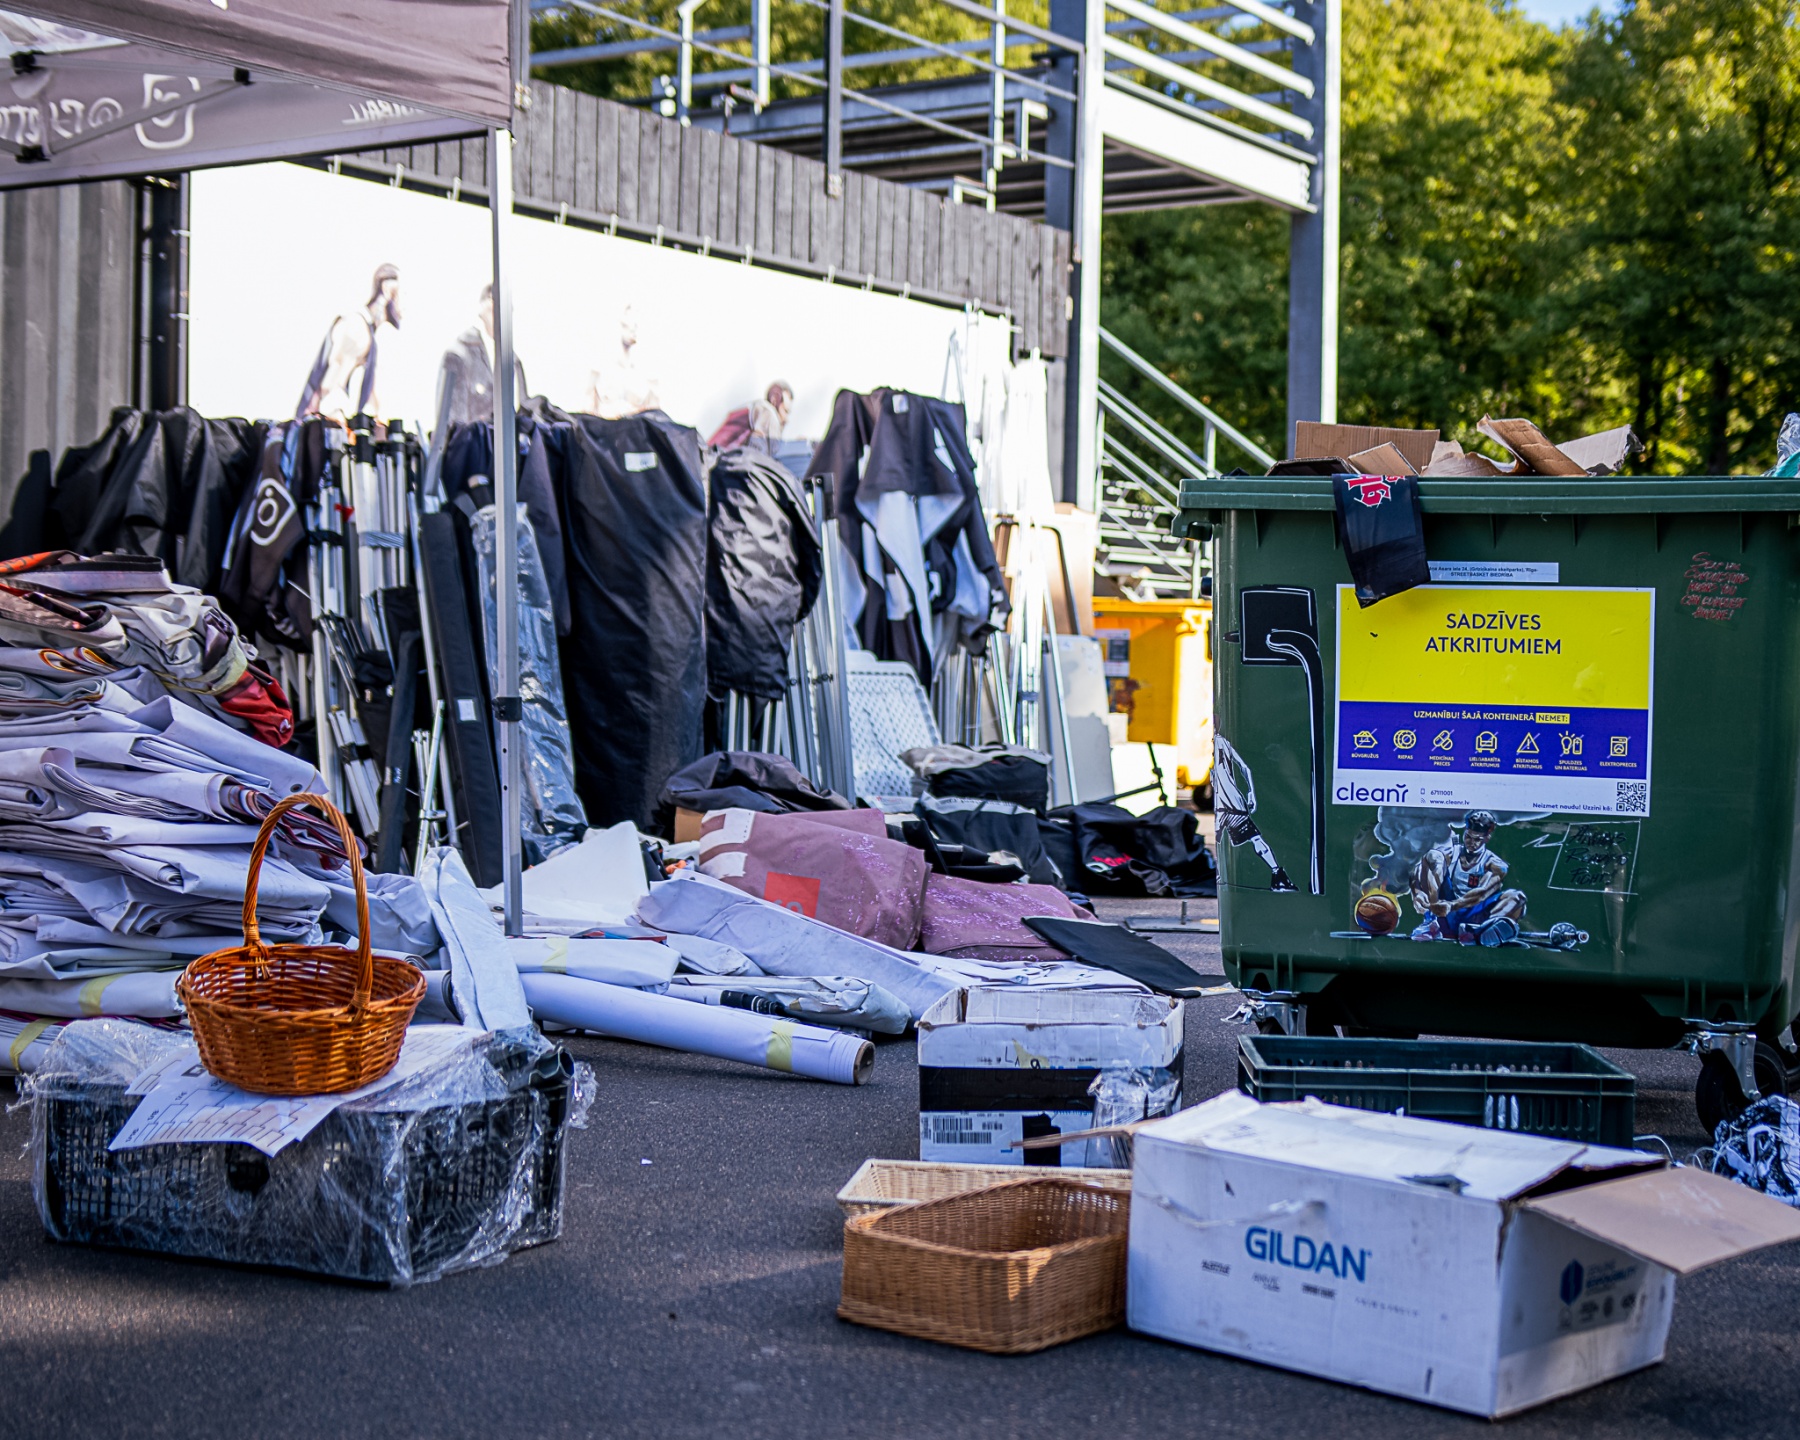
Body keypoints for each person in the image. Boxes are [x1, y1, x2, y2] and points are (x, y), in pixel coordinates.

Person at [295, 263, 401, 421]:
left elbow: (372, 398)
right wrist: (337, 415)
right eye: (404, 293)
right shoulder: (357, 329)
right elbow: (330, 385)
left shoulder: (369, 334)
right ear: (387, 288)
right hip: (323, 425)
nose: (406, 307)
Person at [1409, 809, 1528, 945]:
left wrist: (1453, 905)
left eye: (1477, 839)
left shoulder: (1495, 864)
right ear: (1465, 832)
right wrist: (1417, 892)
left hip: (1472, 915)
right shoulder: (1450, 854)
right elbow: (1417, 870)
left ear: (1487, 838)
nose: (1471, 842)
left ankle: (1484, 931)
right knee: (1433, 856)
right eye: (1468, 837)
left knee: (1517, 898)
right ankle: (1431, 923)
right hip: (1444, 914)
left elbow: (1482, 893)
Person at [433, 282, 529, 435]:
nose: (502, 312)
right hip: (476, 448)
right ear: (484, 307)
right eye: (494, 303)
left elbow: (524, 418)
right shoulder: (458, 356)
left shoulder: (513, 362)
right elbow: (453, 429)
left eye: (507, 307)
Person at [1211, 735, 1293, 892]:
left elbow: (1244, 767)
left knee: (1227, 840)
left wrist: (1251, 793)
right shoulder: (1222, 742)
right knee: (1252, 838)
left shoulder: (1220, 741)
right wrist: (1251, 793)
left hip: (1225, 801)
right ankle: (1277, 874)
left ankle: (1277, 875)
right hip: (1230, 801)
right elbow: (1244, 767)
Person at [585, 305, 661, 418]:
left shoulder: (649, 377)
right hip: (605, 426)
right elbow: (586, 415)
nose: (634, 328)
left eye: (636, 324)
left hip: (635, 427)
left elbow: (656, 420)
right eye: (628, 324)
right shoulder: (599, 371)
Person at [708, 380, 795, 451]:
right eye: (785, 411)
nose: (786, 419)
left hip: (711, 459)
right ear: (775, 399)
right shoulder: (768, 411)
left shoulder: (750, 409)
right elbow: (763, 452)